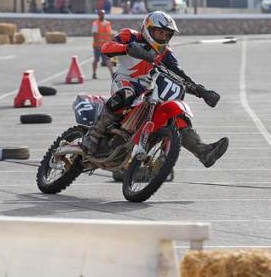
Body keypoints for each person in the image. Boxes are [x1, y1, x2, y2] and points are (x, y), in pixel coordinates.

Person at [82, 11, 229, 168]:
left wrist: (202, 92)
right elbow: (106, 48)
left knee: (175, 113)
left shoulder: (165, 53)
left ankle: (202, 150)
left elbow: (181, 76)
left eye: (167, 34)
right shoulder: (130, 36)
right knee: (127, 94)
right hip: (125, 82)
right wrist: (128, 48)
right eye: (160, 32)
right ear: (148, 28)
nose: (163, 37)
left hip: (148, 90)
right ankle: (92, 136)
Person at [91, 9, 114, 79]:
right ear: (98, 15)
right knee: (96, 60)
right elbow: (94, 34)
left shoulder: (108, 23)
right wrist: (97, 44)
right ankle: (94, 73)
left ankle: (112, 74)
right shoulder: (95, 24)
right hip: (98, 45)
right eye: (101, 14)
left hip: (106, 46)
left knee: (108, 60)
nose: (102, 15)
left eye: (103, 14)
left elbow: (110, 34)